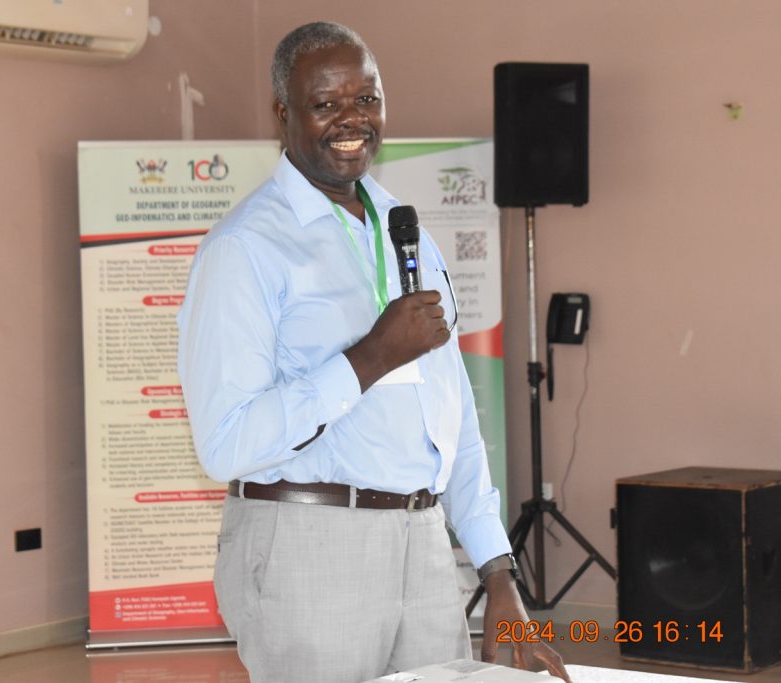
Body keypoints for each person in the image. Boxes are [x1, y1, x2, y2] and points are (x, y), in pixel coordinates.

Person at [177, 21, 572, 683]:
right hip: (308, 542)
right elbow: (225, 442)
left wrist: (497, 569)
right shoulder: (244, 250)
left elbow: (453, 418)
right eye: (326, 103)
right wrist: (369, 359)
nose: (352, 119)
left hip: (423, 542)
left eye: (367, 98)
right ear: (283, 114)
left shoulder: (405, 230)